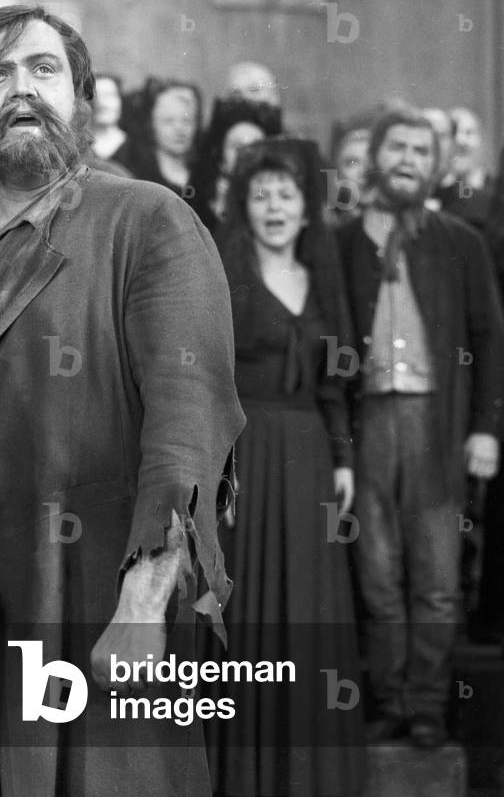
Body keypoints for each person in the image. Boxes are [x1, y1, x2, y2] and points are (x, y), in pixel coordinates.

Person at [0, 4, 244, 797]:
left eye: (43, 69)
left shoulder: (148, 220)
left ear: (80, 96)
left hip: (96, 594)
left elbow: (188, 422)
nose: (21, 89)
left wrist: (145, 601)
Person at [337, 108, 504, 746]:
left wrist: (486, 428)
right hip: (369, 422)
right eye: (397, 147)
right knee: (377, 572)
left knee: (436, 574)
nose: (408, 159)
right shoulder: (342, 242)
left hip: (438, 418)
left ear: (434, 166)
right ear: (376, 156)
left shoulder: (461, 241)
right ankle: (390, 701)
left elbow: (489, 340)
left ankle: (429, 706)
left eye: (420, 150)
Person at [210, 137, 364, 796]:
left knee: (310, 608)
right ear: (244, 206)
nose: (274, 207)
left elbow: (335, 381)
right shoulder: (225, 276)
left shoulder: (323, 279)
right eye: (261, 195)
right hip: (245, 458)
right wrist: (219, 467)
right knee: (248, 612)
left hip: (310, 463)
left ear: (306, 208)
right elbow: (210, 380)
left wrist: (344, 458)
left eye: (287, 194)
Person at [187, 95, 282, 234]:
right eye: (237, 147)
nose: (246, 154)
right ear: (220, 154)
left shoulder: (279, 204)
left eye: (256, 147)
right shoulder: (198, 202)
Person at [114, 77, 201, 197]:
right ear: (150, 123)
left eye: (187, 120)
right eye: (169, 121)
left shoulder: (204, 172)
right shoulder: (133, 171)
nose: (180, 130)